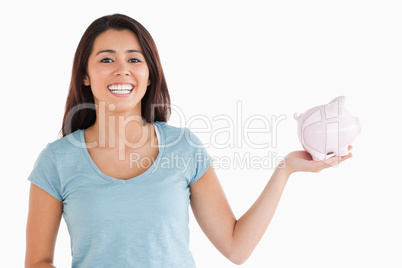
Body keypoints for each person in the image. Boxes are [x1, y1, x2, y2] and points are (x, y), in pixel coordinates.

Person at [25, 14, 352, 268]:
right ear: (85, 74)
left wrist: (285, 170)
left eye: (135, 59)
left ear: (149, 73)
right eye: (107, 59)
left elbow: (236, 247)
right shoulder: (56, 161)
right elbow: (37, 261)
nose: (122, 70)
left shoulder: (183, 148)